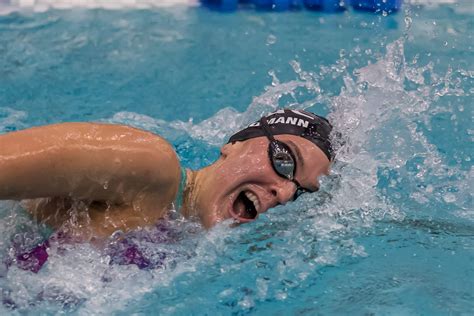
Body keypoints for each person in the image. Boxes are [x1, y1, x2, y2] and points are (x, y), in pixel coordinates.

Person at [0, 109, 333, 242]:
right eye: (285, 160)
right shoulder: (152, 169)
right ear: (233, 145)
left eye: (300, 190)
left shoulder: (183, 237)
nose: (286, 193)